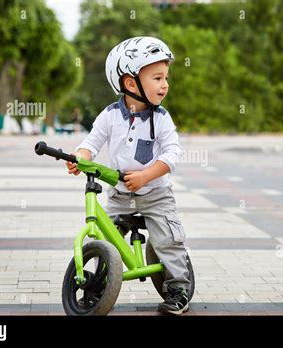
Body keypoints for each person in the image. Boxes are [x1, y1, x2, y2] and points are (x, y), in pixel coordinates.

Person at [65, 37, 191, 315]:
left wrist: (147, 176)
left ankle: (178, 288)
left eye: (166, 77)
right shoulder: (110, 116)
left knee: (168, 240)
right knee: (103, 236)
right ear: (131, 84)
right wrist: (80, 159)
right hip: (120, 196)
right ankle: (98, 283)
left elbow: (172, 154)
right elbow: (91, 144)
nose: (165, 84)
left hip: (156, 195)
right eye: (157, 78)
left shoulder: (162, 119)